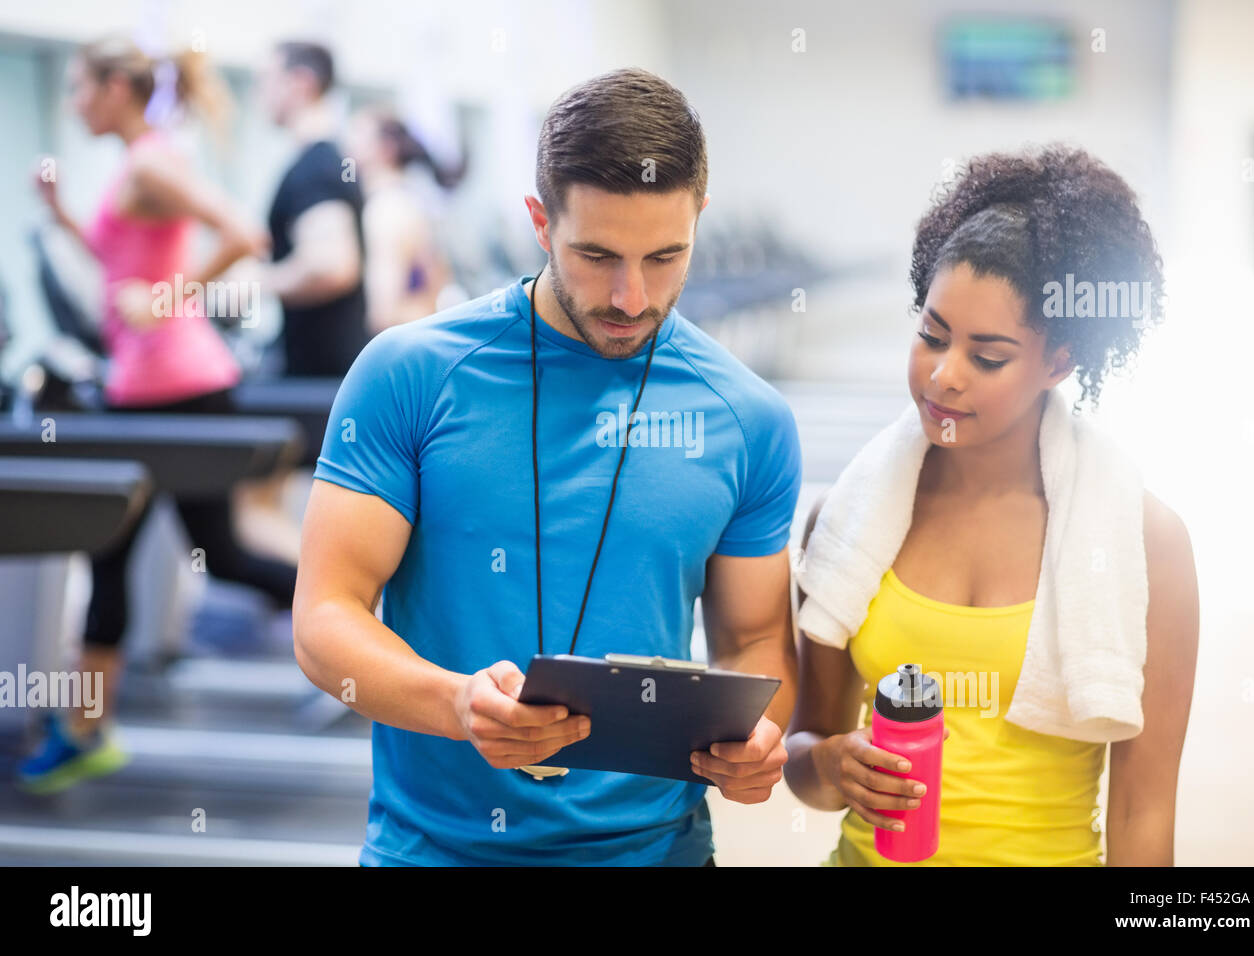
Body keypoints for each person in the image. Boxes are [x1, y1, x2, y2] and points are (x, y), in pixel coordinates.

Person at [293, 67, 802, 866]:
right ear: (539, 222)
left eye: (665, 256)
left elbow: (757, 638)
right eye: (597, 255)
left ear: (699, 218)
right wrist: (456, 704)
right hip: (436, 849)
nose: (631, 297)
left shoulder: (749, 418)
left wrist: (758, 737)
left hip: (657, 850)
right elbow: (326, 618)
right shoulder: (410, 375)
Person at [783, 145, 1199, 865]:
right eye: (931, 336)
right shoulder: (847, 518)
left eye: (988, 356)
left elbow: (1144, 812)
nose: (944, 376)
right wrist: (826, 766)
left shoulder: (1144, 543)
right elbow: (806, 751)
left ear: (1059, 362)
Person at [17, 36, 299, 795]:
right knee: (110, 551)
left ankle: (374, 623)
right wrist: (62, 216)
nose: (73, 102)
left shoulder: (150, 164)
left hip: (180, 390)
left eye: (80, 87)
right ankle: (86, 731)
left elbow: (244, 234)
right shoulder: (136, 164)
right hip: (141, 391)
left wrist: (172, 299)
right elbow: (123, 264)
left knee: (223, 556)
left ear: (117, 89)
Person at [256, 40, 370, 377]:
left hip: (322, 377)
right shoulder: (327, 160)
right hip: (324, 371)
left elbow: (330, 267)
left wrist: (255, 281)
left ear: (301, 82)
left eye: (266, 80)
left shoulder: (317, 166)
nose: (259, 93)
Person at [344, 105, 467, 334]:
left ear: (386, 149)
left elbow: (383, 314)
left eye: (357, 135)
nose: (347, 149)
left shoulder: (387, 209)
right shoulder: (406, 202)